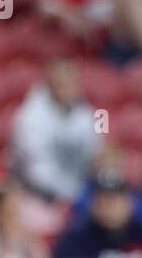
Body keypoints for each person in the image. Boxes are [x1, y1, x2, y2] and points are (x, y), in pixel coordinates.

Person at [8, 59, 98, 205]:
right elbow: (36, 171)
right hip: (34, 193)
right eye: (62, 84)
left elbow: (96, 145)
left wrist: (101, 157)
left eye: (73, 83)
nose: (70, 89)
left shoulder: (86, 111)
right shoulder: (29, 117)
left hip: (75, 190)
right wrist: (70, 195)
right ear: (49, 85)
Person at [52, 169, 142, 258]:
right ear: (93, 204)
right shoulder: (75, 240)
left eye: (116, 199)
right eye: (104, 199)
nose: (110, 205)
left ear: (130, 203)